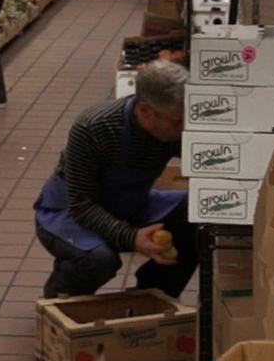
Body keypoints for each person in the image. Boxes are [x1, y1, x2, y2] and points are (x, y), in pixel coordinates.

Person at [34, 61, 200, 298]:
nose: (186, 129)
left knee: (197, 213)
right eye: (177, 122)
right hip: (71, 212)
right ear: (145, 111)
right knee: (99, 260)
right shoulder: (94, 127)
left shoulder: (171, 124)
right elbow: (82, 205)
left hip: (132, 203)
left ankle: (153, 296)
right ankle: (57, 301)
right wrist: (131, 238)